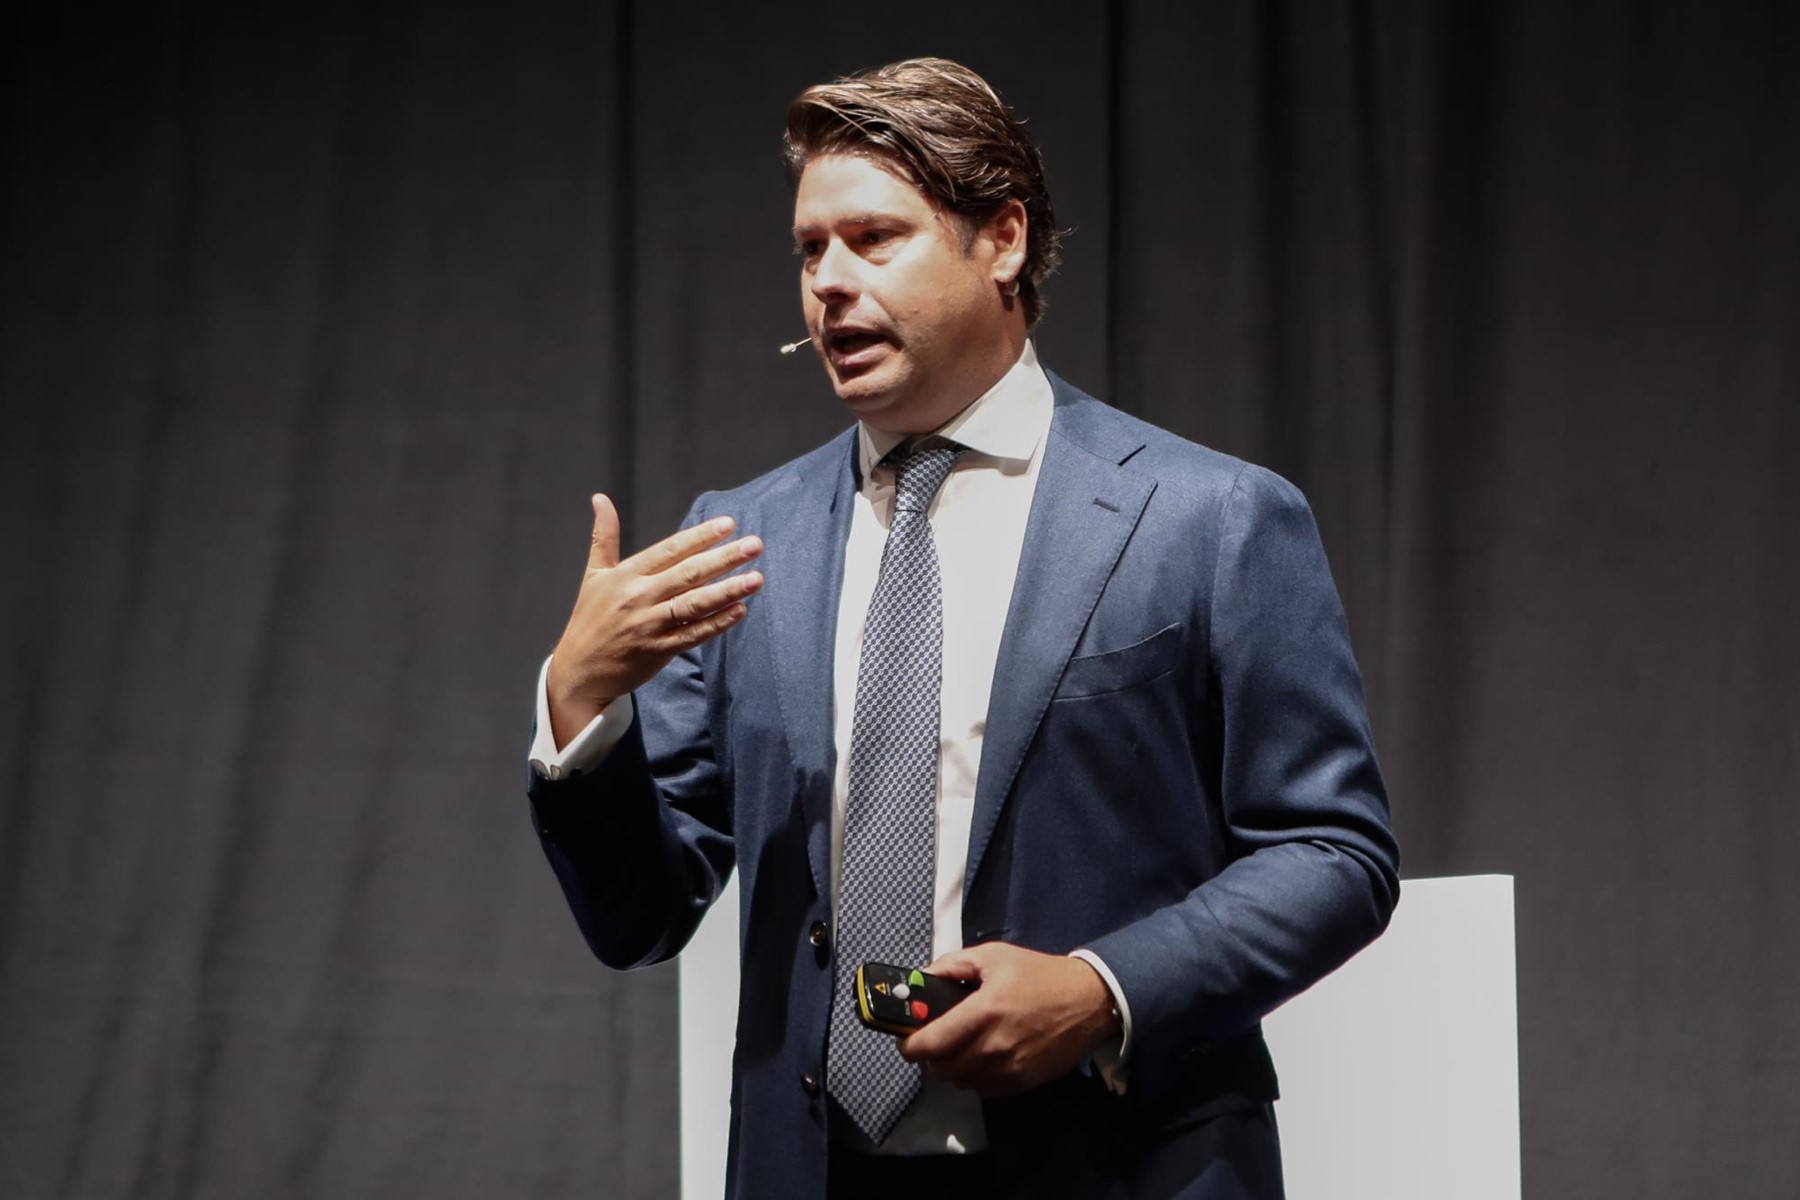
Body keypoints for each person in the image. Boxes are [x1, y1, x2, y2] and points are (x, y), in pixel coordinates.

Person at [525, 57, 1399, 1200]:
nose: (828, 284)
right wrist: (582, 707)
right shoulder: (743, 541)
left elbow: (1335, 854)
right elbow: (639, 916)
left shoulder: (1209, 519)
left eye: (873, 239)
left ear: (1003, 241)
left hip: (1120, 1165)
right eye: (809, 250)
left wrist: (1100, 991)